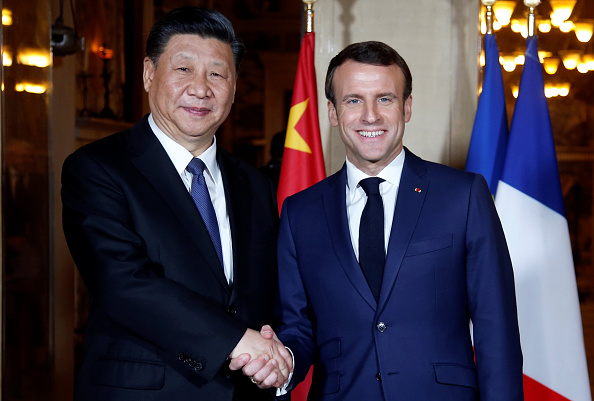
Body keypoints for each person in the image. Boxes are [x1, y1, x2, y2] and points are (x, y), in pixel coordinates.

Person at [270, 41, 524, 400]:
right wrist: (284, 363)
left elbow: (495, 326)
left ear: (406, 108)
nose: (370, 116)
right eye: (353, 100)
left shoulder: (463, 196)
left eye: (385, 99)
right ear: (332, 111)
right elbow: (297, 326)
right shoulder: (300, 212)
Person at [61, 7, 292, 401]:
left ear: (234, 89)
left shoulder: (255, 184)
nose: (201, 89)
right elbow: (123, 283)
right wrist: (237, 341)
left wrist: (276, 351)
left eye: (217, 74)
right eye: (184, 69)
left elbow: (266, 294)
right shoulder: (98, 168)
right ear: (150, 74)